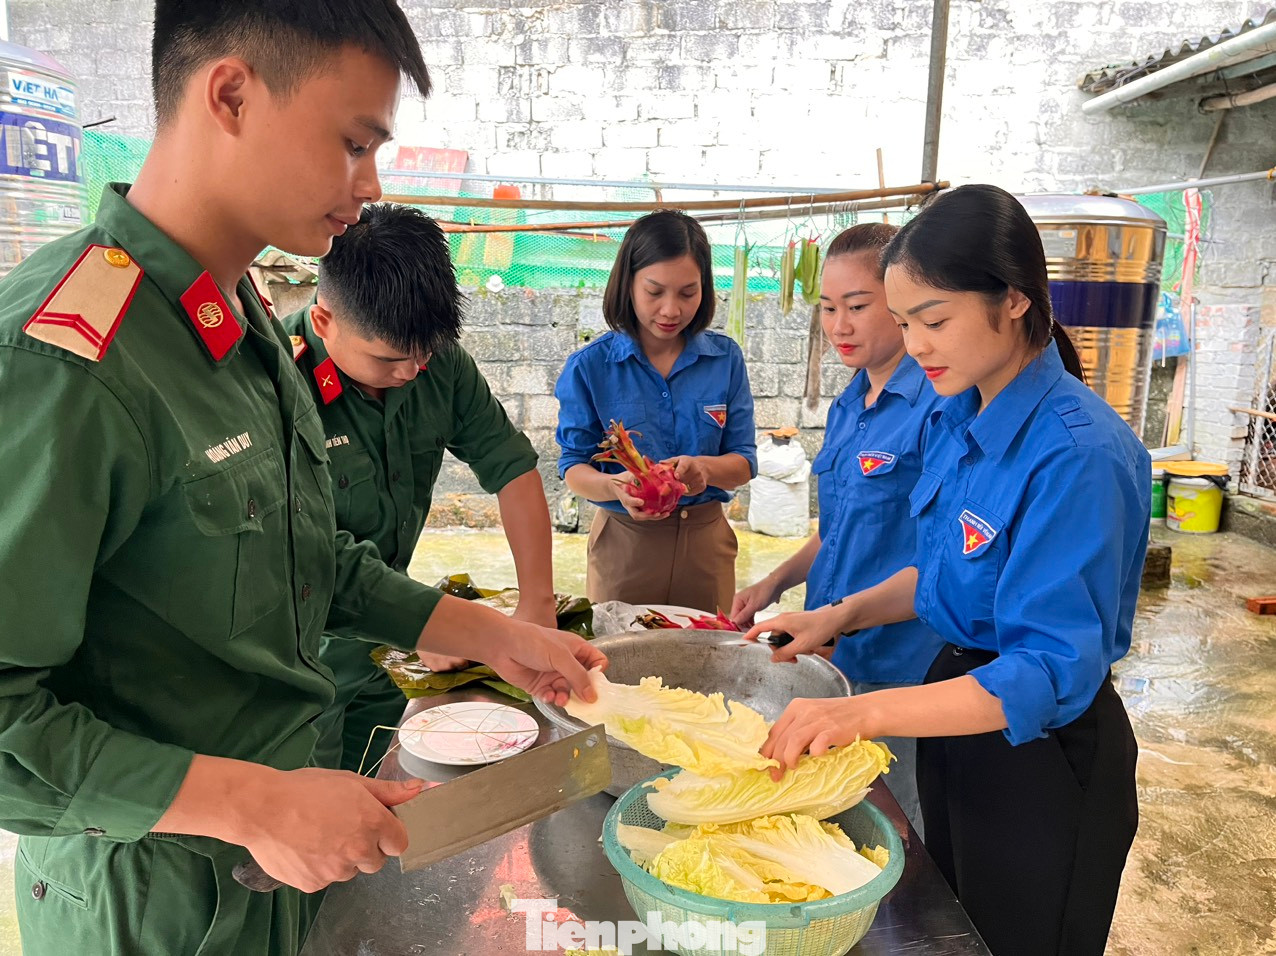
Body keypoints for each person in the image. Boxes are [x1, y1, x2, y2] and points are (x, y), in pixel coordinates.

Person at [0, 4, 602, 954]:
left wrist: (494, 634)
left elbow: (306, 557)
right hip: (152, 899)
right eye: (353, 142)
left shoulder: (237, 324)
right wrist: (255, 805)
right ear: (232, 94)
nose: (369, 183)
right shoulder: (68, 361)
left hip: (283, 864)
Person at [747, 185, 1148, 956]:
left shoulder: (1078, 455)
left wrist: (864, 714)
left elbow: (1047, 669)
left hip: (1045, 757)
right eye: (904, 324)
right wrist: (837, 615)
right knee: (953, 929)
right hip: (956, 717)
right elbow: (945, 580)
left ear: (1016, 302)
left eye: (934, 320)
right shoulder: (956, 412)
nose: (918, 345)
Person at [284, 202, 558, 773]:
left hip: (392, 651)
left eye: (423, 355)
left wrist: (536, 601)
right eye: (388, 359)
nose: (411, 372)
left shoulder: (438, 364)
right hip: (301, 664)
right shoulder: (277, 382)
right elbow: (303, 554)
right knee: (318, 807)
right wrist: (429, 623)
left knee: (379, 778)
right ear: (324, 319)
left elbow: (512, 469)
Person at [730, 223, 943, 836]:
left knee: (893, 822)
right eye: (828, 307)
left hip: (899, 662)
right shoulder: (851, 402)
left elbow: (942, 561)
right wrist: (774, 582)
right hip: (828, 646)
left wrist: (839, 617)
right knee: (826, 808)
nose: (838, 326)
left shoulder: (937, 406)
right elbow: (842, 525)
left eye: (857, 306)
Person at [554, 210, 757, 611]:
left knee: (710, 662)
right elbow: (574, 466)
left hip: (706, 546)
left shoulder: (725, 359)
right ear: (627, 283)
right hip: (624, 546)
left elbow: (744, 461)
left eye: (687, 293)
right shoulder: (591, 366)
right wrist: (614, 487)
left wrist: (705, 469)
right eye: (654, 291)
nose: (670, 310)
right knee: (622, 666)